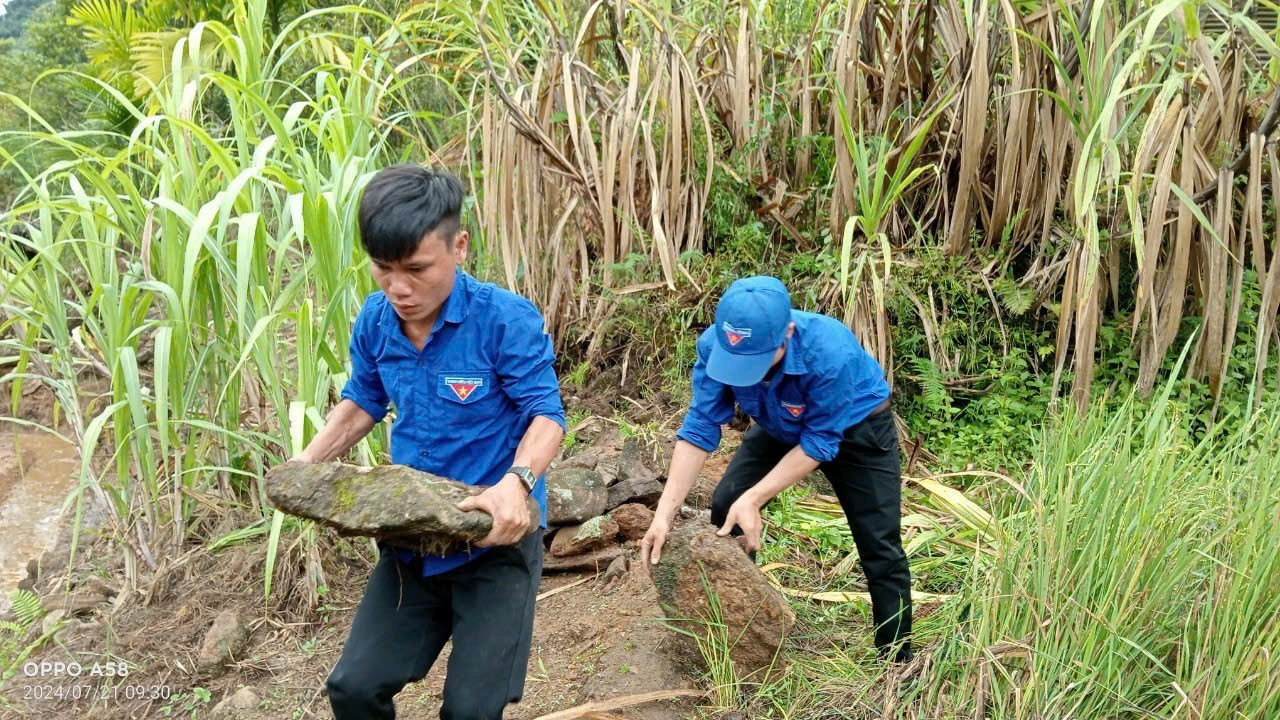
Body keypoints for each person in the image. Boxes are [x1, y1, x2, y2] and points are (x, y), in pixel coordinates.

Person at [288, 165, 566, 719]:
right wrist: (305, 464)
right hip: (411, 545)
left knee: (469, 712)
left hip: (494, 543)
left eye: (416, 269)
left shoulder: (503, 320)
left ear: (458, 246)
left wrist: (518, 484)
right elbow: (363, 402)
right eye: (383, 269)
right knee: (353, 688)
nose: (398, 288)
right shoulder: (376, 320)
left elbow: (546, 415)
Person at [639, 276, 912, 662]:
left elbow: (821, 442)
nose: (739, 371)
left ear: (786, 332)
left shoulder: (831, 351)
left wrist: (756, 497)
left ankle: (896, 660)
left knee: (879, 546)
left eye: (752, 361)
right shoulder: (714, 347)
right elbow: (700, 426)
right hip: (778, 420)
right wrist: (663, 515)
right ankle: (741, 631)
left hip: (855, 429)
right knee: (727, 508)